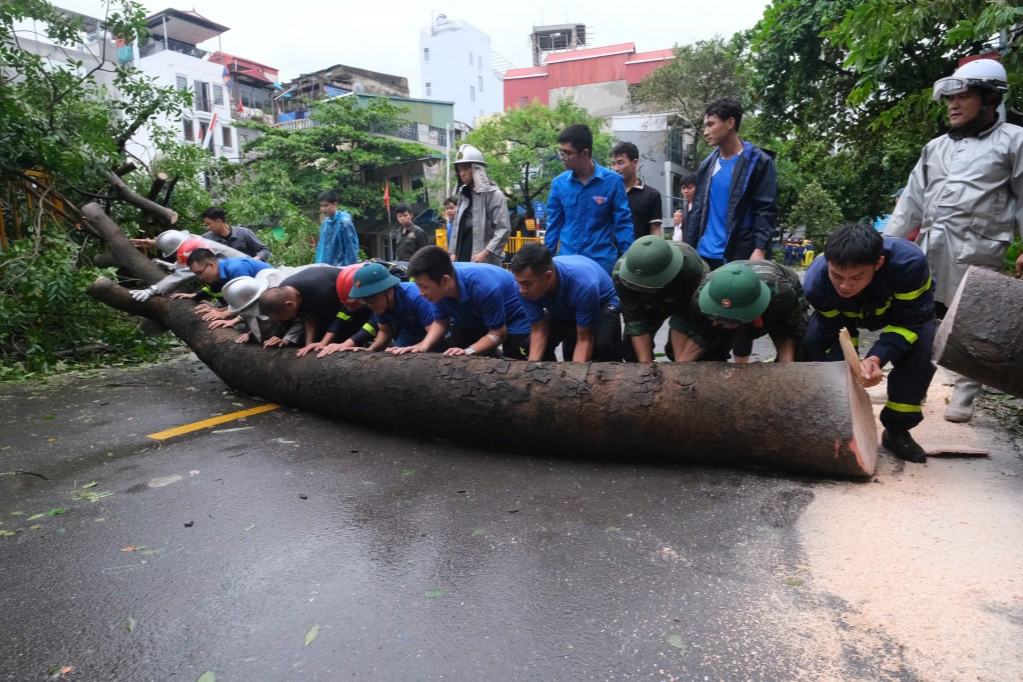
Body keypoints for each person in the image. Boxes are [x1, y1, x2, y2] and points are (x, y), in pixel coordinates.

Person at [884, 58, 1023, 423]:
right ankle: (905, 379)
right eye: (950, 99)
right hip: (931, 245)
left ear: (990, 97)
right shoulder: (936, 147)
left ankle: (963, 395)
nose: (953, 105)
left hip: (979, 246)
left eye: (963, 97)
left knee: (975, 324)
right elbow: (911, 202)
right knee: (917, 314)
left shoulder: (1014, 141)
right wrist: (884, 248)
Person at [803, 223, 936, 463]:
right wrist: (852, 365)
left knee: (920, 353)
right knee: (816, 346)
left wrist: (876, 357)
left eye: (856, 277)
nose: (844, 285)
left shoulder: (909, 265)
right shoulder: (816, 282)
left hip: (902, 316)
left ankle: (897, 430)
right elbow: (838, 330)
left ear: (878, 264)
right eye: (837, 275)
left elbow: (910, 322)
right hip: (847, 315)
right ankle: (835, 423)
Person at [685, 98, 778, 269]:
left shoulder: (758, 162)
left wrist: (760, 249)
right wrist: (688, 250)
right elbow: (697, 211)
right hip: (704, 254)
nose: (705, 131)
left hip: (740, 254)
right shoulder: (707, 165)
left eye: (711, 124)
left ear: (730, 123)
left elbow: (765, 209)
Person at [396, 245, 531, 359]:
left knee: (514, 356)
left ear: (445, 280)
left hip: (513, 318)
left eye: (424, 287)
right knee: (454, 352)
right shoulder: (438, 288)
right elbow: (440, 322)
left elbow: (498, 333)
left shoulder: (483, 287)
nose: (421, 293)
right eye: (418, 286)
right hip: (477, 317)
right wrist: (423, 346)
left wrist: (470, 351)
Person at [544, 124, 634, 274]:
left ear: (584, 153)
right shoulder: (558, 184)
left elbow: (623, 223)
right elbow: (553, 226)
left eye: (567, 153)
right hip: (567, 264)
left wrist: (630, 261)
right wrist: (545, 263)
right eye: (561, 153)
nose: (562, 158)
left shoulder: (613, 182)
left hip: (601, 265)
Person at [510, 243, 622, 363]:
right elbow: (539, 330)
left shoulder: (583, 284)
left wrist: (575, 378)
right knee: (529, 346)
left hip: (601, 302)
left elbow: (584, 338)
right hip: (565, 306)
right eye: (519, 282)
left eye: (527, 284)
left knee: (603, 345)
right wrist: (532, 370)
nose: (522, 290)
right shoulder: (522, 287)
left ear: (548, 276)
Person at [676, 261, 807, 363]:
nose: (715, 323)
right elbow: (704, 336)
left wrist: (786, 368)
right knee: (710, 355)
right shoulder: (700, 299)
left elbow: (787, 333)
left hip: (776, 291)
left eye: (723, 320)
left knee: (801, 355)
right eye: (716, 318)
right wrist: (680, 371)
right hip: (727, 284)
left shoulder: (782, 295)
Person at [613, 236, 708, 363]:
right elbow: (636, 321)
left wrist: (681, 369)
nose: (646, 288)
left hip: (682, 288)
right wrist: (646, 368)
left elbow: (682, 318)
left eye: (649, 285)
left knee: (680, 352)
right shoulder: (621, 276)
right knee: (631, 352)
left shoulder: (690, 267)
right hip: (647, 301)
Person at [256, 266, 373, 357]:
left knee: (340, 338)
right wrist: (308, 346)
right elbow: (309, 316)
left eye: (283, 317)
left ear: (289, 305)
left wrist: (325, 342)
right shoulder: (285, 291)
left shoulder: (322, 293)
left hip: (358, 302)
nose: (285, 320)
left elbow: (342, 317)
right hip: (336, 308)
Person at [337, 262, 442, 353]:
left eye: (371, 298)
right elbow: (385, 331)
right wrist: (370, 350)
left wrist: (421, 347)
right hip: (412, 331)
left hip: (437, 330)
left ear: (388, 290)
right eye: (365, 300)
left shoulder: (415, 298)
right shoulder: (379, 304)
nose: (369, 304)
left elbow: (436, 330)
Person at [129, 230, 247, 302]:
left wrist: (151, 290)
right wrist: (155, 242)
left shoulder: (194, 250)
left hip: (245, 279)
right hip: (233, 280)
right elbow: (175, 240)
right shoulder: (190, 239)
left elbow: (180, 276)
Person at [448, 144, 511, 265]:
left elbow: (503, 229)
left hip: (484, 262)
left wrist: (486, 253)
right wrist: (452, 252)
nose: (462, 173)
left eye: (465, 168)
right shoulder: (463, 196)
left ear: (476, 168)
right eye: (459, 169)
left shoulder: (495, 195)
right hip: (461, 259)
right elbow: (456, 226)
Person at [183, 249, 274, 322]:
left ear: (211, 265)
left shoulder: (235, 268)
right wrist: (218, 309)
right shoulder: (220, 273)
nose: (200, 278)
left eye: (200, 273)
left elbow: (249, 300)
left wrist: (224, 313)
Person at [610, 141, 663, 239]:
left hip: (639, 252)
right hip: (610, 253)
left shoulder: (652, 195)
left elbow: (655, 229)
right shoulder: (608, 193)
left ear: (634, 162)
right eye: (613, 164)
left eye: (620, 163)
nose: (615, 169)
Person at [199, 206, 271, 261]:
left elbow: (264, 250)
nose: (208, 227)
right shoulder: (207, 239)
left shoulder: (244, 233)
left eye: (209, 224)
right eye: (206, 225)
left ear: (218, 221)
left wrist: (253, 260)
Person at [315, 191, 359, 267]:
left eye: (326, 206)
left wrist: (348, 270)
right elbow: (322, 248)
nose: (323, 209)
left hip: (340, 269)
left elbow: (351, 250)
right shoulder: (325, 223)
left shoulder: (344, 223)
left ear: (335, 204)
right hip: (325, 268)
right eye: (321, 206)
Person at [672, 173, 697, 243]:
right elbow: (683, 232)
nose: (686, 191)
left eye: (689, 188)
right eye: (683, 188)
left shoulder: (702, 208)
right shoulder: (685, 209)